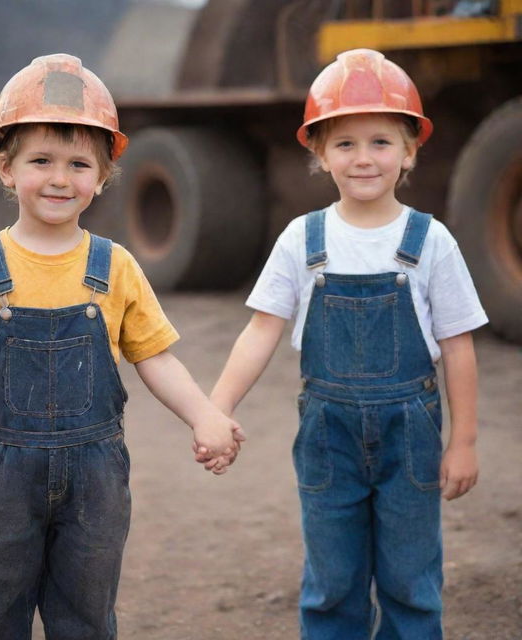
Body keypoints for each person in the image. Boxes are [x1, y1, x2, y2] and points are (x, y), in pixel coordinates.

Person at [0, 53, 243, 640]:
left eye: (79, 164)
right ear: (7, 169)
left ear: (104, 175)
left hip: (96, 477)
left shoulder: (113, 266)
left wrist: (206, 415)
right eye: (41, 160)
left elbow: (155, 357)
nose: (61, 178)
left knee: (85, 615)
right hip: (3, 474)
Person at [201, 49, 488, 638]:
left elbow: (457, 345)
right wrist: (216, 409)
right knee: (333, 583)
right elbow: (261, 329)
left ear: (410, 150)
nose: (364, 159)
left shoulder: (430, 240)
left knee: (412, 581)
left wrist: (462, 442)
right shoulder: (302, 239)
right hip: (327, 435)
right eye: (346, 143)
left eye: (381, 142)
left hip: (411, 434)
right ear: (319, 153)